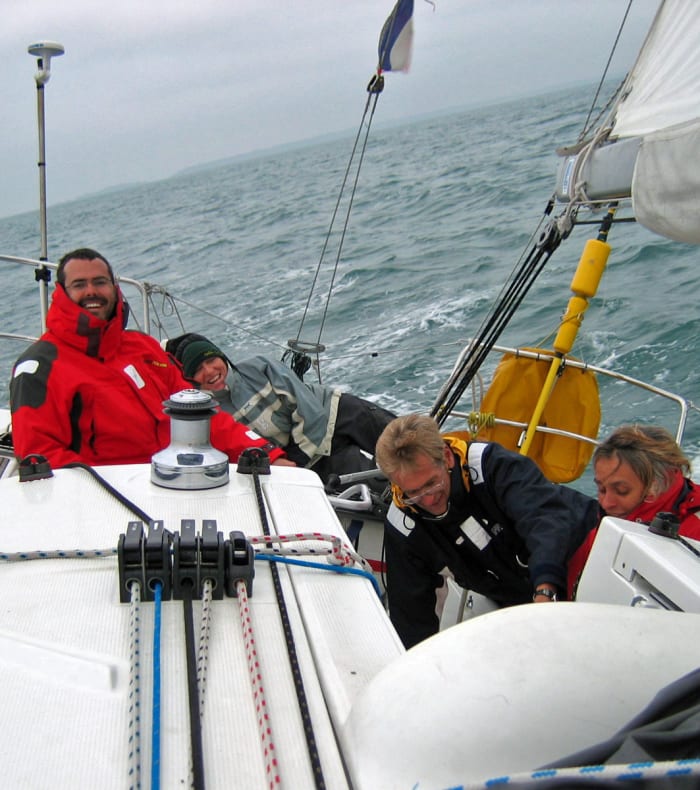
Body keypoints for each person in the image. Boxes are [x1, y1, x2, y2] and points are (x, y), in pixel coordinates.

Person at [9, 248, 292, 469]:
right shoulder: (39, 368)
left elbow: (200, 414)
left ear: (114, 288)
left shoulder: (142, 347)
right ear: (62, 293)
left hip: (179, 478)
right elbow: (41, 458)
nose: (91, 291)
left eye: (100, 282)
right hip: (113, 503)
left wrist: (265, 454)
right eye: (79, 284)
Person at [374, 413, 599, 648]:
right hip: (522, 602)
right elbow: (411, 619)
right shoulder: (404, 525)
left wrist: (545, 590)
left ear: (447, 457)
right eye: (414, 493)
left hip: (583, 554)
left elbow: (545, 523)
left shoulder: (492, 465)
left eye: (432, 483)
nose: (429, 500)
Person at [165, 332, 395, 489]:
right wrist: (291, 467)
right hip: (311, 460)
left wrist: (294, 459)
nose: (209, 371)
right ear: (187, 378)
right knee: (381, 489)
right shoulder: (210, 416)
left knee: (405, 445)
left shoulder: (259, 367)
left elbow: (310, 411)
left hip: (336, 414)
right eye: (197, 369)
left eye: (211, 360)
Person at [567, 424, 700, 596]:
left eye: (622, 490)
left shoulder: (694, 531)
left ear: (659, 483)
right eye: (601, 489)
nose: (607, 503)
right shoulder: (606, 523)